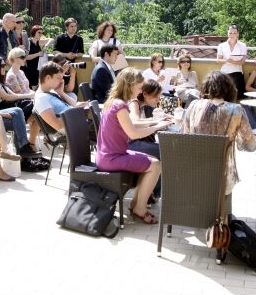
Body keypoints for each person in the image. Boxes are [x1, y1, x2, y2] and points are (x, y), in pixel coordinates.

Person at [96, 68, 167, 224]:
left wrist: (155, 123)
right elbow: (133, 133)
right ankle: (139, 208)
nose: (141, 91)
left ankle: (137, 204)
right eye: (139, 87)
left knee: (151, 161)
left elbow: (131, 126)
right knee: (155, 165)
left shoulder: (114, 102)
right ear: (129, 85)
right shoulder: (120, 106)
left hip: (108, 155)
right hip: (112, 158)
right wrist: (157, 126)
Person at [183, 71, 256, 195]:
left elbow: (184, 136)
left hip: (193, 169)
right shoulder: (235, 110)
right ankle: (223, 212)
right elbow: (250, 145)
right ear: (229, 89)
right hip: (221, 172)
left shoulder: (193, 105)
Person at [0, 55, 40, 147]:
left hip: (9, 107)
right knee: (33, 109)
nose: (4, 67)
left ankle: (32, 145)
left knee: (38, 115)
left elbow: (13, 95)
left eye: (4, 65)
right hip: (0, 109)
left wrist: (30, 96)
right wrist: (29, 95)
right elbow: (7, 97)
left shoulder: (1, 82)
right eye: (2, 65)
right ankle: (27, 146)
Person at [127, 79, 168, 201]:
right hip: (129, 144)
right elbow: (134, 121)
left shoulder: (144, 106)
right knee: (163, 151)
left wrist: (163, 118)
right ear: (144, 94)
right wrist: (157, 122)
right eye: (155, 97)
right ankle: (152, 193)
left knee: (163, 150)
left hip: (135, 141)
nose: (158, 100)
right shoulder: (134, 103)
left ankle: (152, 192)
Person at [33, 62, 90, 133]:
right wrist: (78, 114)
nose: (62, 81)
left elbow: (74, 105)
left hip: (80, 124)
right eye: (58, 78)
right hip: (75, 130)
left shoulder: (52, 92)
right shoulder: (41, 98)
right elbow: (57, 124)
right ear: (48, 78)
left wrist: (61, 93)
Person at [216, 24, 248, 100]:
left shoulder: (243, 45)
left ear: (237, 34)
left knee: (236, 94)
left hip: (237, 72)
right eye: (230, 33)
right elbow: (218, 60)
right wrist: (227, 60)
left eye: (234, 33)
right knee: (223, 94)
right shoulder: (221, 45)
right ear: (227, 33)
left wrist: (232, 62)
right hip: (224, 72)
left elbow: (243, 62)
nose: (232, 35)